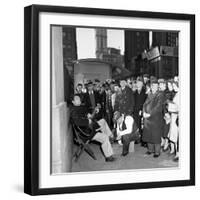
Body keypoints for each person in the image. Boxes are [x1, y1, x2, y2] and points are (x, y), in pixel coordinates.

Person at [70, 95, 116, 162]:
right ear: (73, 102)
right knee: (105, 137)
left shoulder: (80, 107)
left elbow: (89, 116)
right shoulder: (74, 111)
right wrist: (87, 121)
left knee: (103, 121)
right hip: (86, 133)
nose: (79, 99)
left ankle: (110, 137)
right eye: (77, 99)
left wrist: (93, 113)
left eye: (79, 98)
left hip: (90, 128)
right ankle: (109, 157)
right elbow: (77, 122)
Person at [142, 78, 164, 158]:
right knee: (148, 135)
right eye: (153, 86)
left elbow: (158, 107)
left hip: (155, 118)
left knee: (156, 135)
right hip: (147, 119)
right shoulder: (149, 94)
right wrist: (144, 112)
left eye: (156, 86)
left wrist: (149, 114)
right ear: (151, 87)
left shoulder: (160, 94)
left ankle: (157, 152)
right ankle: (150, 150)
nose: (155, 87)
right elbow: (144, 104)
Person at [168, 81, 179, 162]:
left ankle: (178, 154)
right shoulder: (176, 94)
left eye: (175, 85)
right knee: (174, 135)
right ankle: (176, 152)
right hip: (173, 116)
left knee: (177, 136)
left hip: (177, 117)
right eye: (173, 86)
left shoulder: (181, 94)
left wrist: (173, 108)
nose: (173, 87)